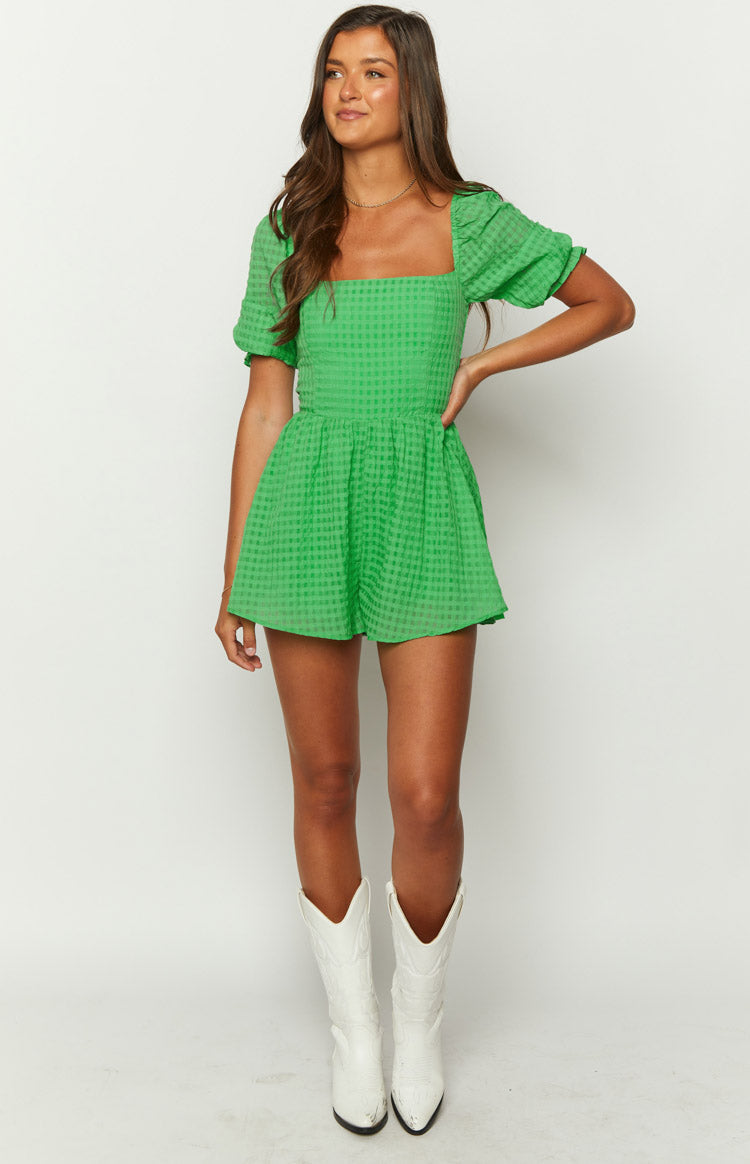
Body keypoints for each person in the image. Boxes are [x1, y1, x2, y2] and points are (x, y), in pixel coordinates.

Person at [215, 3, 635, 1139]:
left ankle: (420, 1021)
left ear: (414, 90)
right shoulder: (289, 226)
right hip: (306, 508)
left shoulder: (470, 221)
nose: (349, 90)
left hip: (423, 510)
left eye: (373, 71)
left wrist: (486, 365)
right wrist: (235, 569)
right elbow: (265, 407)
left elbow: (608, 303)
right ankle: (355, 1034)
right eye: (333, 71)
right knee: (324, 781)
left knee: (426, 793)